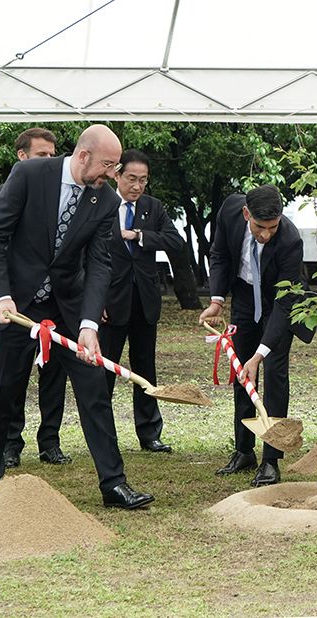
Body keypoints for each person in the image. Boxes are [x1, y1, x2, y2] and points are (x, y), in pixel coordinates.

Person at [0, 124, 153, 508]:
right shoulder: (28, 175)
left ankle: (114, 484)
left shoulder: (103, 200)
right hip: (16, 305)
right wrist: (2, 296)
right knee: (2, 392)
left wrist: (89, 324)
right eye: (107, 165)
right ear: (84, 156)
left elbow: (99, 263)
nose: (111, 175)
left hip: (67, 307)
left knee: (94, 389)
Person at [198, 185, 314, 487]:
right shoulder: (229, 212)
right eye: (260, 228)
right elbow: (220, 255)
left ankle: (271, 459)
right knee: (242, 374)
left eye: (272, 228)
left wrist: (260, 354)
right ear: (246, 213)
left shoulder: (289, 239)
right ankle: (243, 450)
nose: (266, 234)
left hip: (279, 302)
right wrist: (216, 300)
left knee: (274, 372)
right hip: (245, 298)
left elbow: (285, 303)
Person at [0, 127, 72, 468]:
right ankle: (9, 442)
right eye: (41, 156)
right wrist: (3, 296)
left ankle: (50, 441)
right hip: (15, 306)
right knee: (12, 377)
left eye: (53, 156)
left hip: (55, 305)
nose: (49, 162)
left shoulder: (68, 196)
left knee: (54, 375)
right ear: (22, 158)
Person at [99, 150, 184, 453]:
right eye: (131, 179)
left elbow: (175, 241)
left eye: (143, 180)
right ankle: (101, 434)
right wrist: (97, 300)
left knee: (145, 367)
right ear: (117, 175)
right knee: (105, 368)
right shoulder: (100, 204)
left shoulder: (153, 208)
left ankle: (149, 433)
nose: (137, 186)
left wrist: (138, 235)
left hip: (145, 300)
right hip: (110, 302)